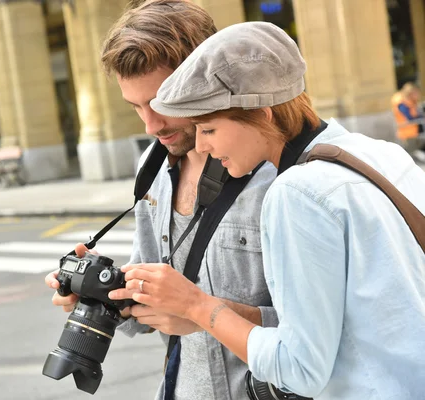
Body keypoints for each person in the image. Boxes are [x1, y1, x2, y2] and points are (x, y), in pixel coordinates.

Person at [109, 21, 425, 399]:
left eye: (208, 129)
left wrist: (198, 307)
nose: (204, 148)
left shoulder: (295, 191)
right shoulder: (382, 153)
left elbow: (299, 371)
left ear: (262, 113)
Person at [45, 2, 278, 399]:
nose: (151, 126)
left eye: (160, 103)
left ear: (204, 78)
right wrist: (105, 294)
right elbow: (153, 305)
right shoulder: (151, 168)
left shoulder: (275, 174)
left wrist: (201, 311)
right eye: (135, 107)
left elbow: (323, 330)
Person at [391, 82, 425, 162]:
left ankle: (419, 153)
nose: (418, 95)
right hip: (408, 130)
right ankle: (419, 153)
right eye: (416, 93)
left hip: (415, 127)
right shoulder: (402, 104)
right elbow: (410, 117)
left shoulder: (410, 102)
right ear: (410, 93)